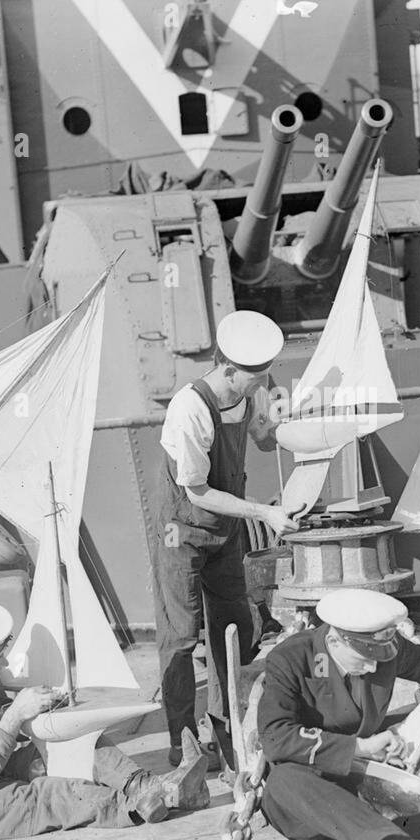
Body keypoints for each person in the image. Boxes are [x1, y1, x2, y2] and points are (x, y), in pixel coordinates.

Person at [0, 599, 208, 840]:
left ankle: (146, 786)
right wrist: (14, 715)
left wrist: (51, 716)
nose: (6, 663)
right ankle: (154, 800)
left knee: (79, 743)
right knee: (46, 795)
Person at [151, 311, 299, 771]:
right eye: (253, 379)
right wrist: (264, 512)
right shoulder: (189, 409)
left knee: (233, 627)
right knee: (180, 635)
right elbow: (197, 490)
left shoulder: (253, 385)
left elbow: (261, 437)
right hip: (184, 530)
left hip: (225, 531)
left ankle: (230, 728)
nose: (260, 385)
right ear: (227, 368)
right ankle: (182, 742)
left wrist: (287, 427)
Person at [257, 588, 420, 840]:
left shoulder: (386, 646)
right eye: (364, 658)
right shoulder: (290, 659)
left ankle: (387, 839)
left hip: (370, 776)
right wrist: (359, 747)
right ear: (333, 640)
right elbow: (274, 737)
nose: (374, 667)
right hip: (312, 794)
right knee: (281, 781)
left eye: (379, 658)